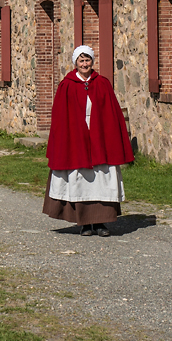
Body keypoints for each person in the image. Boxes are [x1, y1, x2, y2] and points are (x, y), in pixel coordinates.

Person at [43, 45, 134, 236]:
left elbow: (112, 113)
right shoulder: (66, 85)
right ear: (75, 63)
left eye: (88, 60)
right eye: (81, 61)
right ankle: (84, 223)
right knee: (80, 178)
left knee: (102, 177)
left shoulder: (102, 83)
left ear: (92, 62)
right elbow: (60, 117)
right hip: (75, 138)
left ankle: (101, 222)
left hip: (100, 138)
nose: (85, 64)